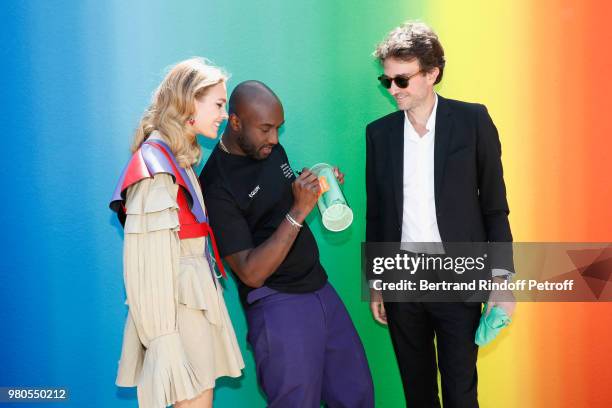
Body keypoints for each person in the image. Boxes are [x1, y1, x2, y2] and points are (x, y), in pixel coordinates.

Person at [365, 22, 515, 407]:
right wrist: (376, 281)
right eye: (387, 81)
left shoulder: (473, 121)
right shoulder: (378, 135)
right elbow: (377, 214)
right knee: (418, 394)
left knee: (461, 392)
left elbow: (495, 206)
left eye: (402, 79)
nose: (393, 89)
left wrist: (503, 281)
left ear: (432, 73)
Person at [199, 80, 374, 408]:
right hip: (277, 304)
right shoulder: (215, 185)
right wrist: (299, 210)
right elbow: (251, 272)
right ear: (235, 122)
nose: (275, 139)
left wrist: (315, 188)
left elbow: (276, 203)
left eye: (278, 128)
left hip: (320, 288)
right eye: (265, 129)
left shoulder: (270, 149)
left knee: (357, 395)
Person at [110, 58, 244, 408]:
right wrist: (163, 340)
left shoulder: (174, 159)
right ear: (188, 103)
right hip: (179, 307)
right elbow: (147, 267)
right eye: (217, 104)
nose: (223, 114)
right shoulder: (155, 167)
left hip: (191, 296)